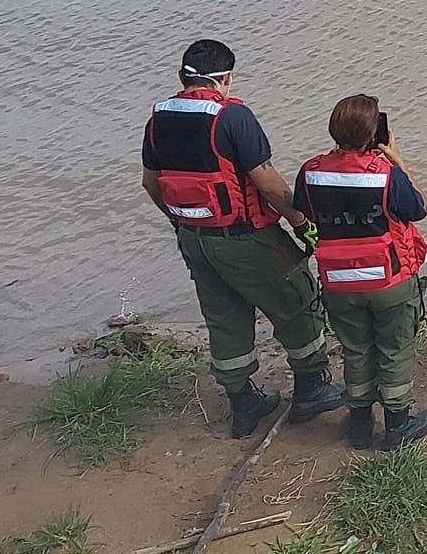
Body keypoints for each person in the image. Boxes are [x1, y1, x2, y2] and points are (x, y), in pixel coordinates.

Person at [141, 40, 344, 438]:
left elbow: (151, 184)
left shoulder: (158, 119)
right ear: (226, 79)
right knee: (296, 301)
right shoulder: (233, 118)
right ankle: (312, 389)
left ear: (182, 79)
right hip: (244, 236)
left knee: (224, 317)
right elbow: (268, 185)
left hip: (195, 239)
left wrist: (180, 224)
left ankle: (243, 405)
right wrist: (303, 223)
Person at [294, 95, 427, 449]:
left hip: (338, 281)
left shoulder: (311, 171)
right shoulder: (386, 174)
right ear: (375, 134)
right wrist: (398, 160)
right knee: (394, 350)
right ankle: (398, 426)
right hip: (388, 280)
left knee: (355, 349)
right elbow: (417, 209)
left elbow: (305, 210)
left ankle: (358, 425)